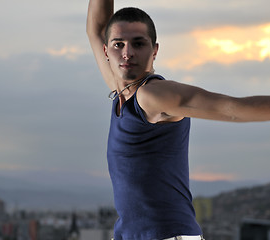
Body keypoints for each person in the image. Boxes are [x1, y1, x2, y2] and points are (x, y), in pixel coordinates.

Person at [86, 0, 270, 240]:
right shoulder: (121, 91)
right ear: (106, 51)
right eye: (118, 44)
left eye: (138, 44)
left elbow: (231, 109)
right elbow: (97, 28)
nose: (127, 52)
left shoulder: (152, 95)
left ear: (154, 50)